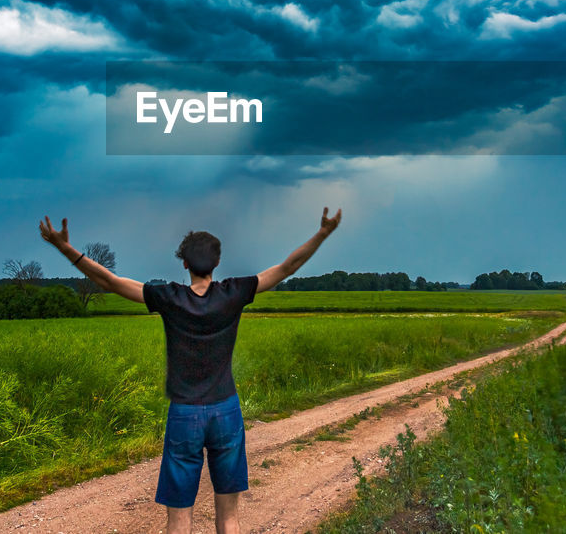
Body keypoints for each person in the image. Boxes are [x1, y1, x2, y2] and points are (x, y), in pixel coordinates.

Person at [38, 206, 343, 534]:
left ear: (184, 262)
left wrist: (64, 247)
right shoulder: (233, 293)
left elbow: (109, 281)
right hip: (226, 411)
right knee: (229, 518)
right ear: (217, 262)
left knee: (179, 518)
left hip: (184, 414)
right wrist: (323, 233)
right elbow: (286, 267)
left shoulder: (169, 297)